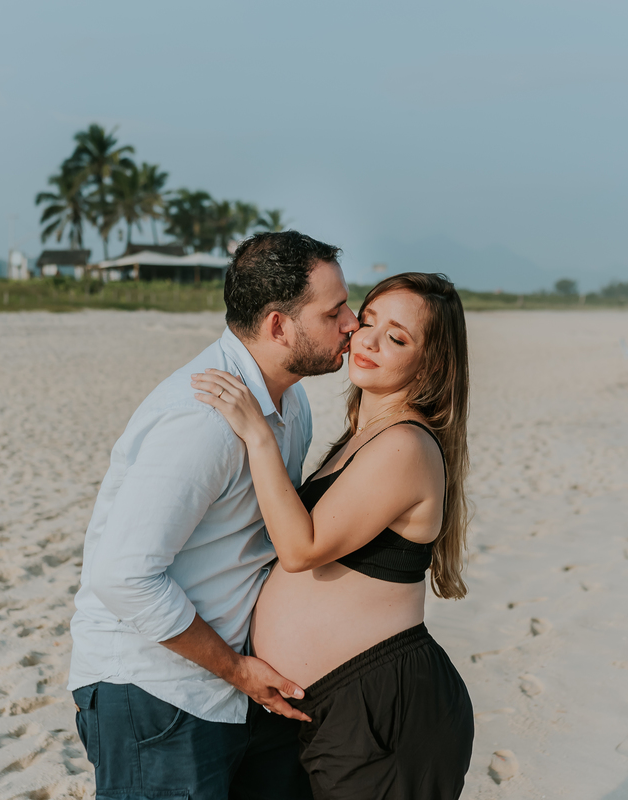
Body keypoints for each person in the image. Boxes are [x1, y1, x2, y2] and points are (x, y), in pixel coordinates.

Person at [67, 231, 359, 799]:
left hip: (237, 687)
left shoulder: (290, 401)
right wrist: (236, 668)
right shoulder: (201, 419)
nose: (352, 323)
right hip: (157, 692)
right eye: (335, 311)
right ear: (278, 326)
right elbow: (122, 576)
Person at [192, 272, 475, 799]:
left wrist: (258, 435)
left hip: (379, 709)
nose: (367, 340)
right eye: (367, 321)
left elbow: (301, 550)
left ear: (432, 363)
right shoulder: (362, 438)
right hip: (327, 708)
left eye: (397, 337)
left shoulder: (406, 446)